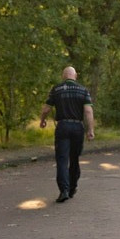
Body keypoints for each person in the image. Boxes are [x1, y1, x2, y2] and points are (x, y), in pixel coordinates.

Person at [39, 66, 95, 203]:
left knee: (62, 159)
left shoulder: (56, 89)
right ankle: (72, 187)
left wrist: (42, 120)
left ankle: (63, 190)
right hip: (77, 127)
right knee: (74, 158)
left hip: (62, 126)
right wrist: (90, 130)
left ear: (64, 76)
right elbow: (88, 111)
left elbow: (46, 108)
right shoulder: (83, 90)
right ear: (75, 76)